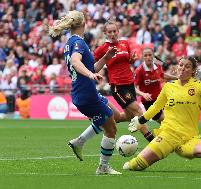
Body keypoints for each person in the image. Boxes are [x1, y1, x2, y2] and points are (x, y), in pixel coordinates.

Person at [48, 10, 121, 175]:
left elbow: (90, 68)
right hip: (86, 94)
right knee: (111, 129)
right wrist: (90, 75)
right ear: (83, 24)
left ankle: (79, 142)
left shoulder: (72, 42)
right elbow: (76, 62)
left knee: (113, 117)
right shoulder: (78, 43)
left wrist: (105, 58)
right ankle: (102, 167)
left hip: (85, 93)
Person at [93, 20, 155, 142]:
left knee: (127, 116)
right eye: (109, 32)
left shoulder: (125, 43)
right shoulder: (103, 49)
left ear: (118, 31)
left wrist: (131, 60)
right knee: (138, 110)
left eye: (114, 31)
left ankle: (100, 121)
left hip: (130, 84)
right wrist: (93, 73)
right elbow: (92, 63)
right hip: (118, 86)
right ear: (105, 33)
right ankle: (152, 140)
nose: (112, 34)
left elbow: (127, 61)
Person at [134, 47, 177, 123]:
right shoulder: (139, 70)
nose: (148, 57)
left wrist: (177, 78)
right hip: (149, 102)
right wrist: (143, 94)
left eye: (150, 55)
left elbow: (163, 75)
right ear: (142, 57)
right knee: (165, 121)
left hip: (161, 98)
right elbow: (133, 88)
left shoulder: (157, 66)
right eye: (145, 55)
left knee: (169, 121)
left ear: (153, 55)